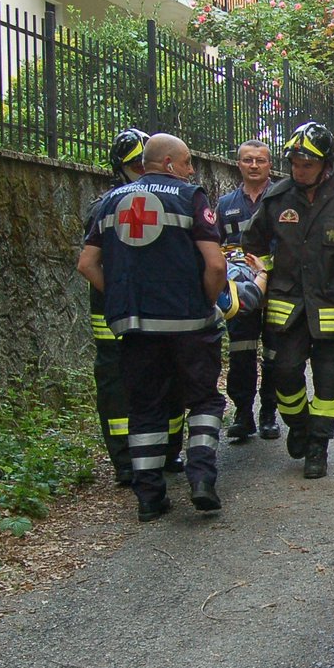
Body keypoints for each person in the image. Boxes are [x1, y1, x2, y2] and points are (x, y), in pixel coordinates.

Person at [76, 134, 228, 522]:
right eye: (188, 161)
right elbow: (214, 265)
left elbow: (87, 265)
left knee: (144, 408)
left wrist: (123, 300)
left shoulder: (110, 202)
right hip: (188, 322)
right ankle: (201, 478)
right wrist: (207, 303)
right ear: (169, 163)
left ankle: (148, 497)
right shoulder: (190, 196)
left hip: (136, 326)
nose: (192, 169)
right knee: (204, 400)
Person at [243, 121, 334, 479]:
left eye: (307, 164)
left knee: (328, 383)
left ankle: (318, 446)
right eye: (295, 163)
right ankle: (299, 424)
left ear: (326, 165)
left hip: (331, 311)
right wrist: (263, 272)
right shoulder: (277, 199)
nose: (299, 170)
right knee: (284, 374)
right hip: (287, 308)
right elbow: (253, 245)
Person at [85, 128, 184, 487]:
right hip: (116, 317)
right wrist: (118, 297)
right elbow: (90, 263)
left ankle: (168, 451)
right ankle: (126, 461)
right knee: (117, 387)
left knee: (167, 379)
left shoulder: (170, 200)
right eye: (135, 166)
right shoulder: (107, 205)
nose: (143, 173)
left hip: (154, 311)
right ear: (122, 168)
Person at [215, 139, 279, 442]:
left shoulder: (282, 198)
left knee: (275, 352)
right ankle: (243, 414)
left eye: (260, 160)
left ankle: (269, 413)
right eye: (248, 160)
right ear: (238, 164)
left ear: (270, 165)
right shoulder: (225, 205)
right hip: (241, 290)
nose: (254, 166)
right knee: (242, 351)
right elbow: (214, 246)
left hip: (279, 286)